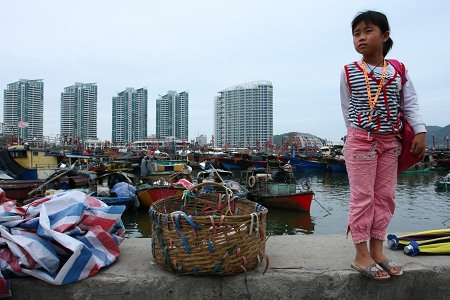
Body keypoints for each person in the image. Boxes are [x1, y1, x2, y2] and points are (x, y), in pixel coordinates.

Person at [340, 10, 426, 280]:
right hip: (361, 140)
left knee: (385, 196)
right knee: (362, 197)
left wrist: (420, 131)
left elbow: (409, 103)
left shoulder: (398, 70)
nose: (361, 38)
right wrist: (355, 137)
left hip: (391, 142)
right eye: (356, 33)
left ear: (385, 36)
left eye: (368, 31)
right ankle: (360, 254)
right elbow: (347, 109)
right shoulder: (349, 72)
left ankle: (377, 250)